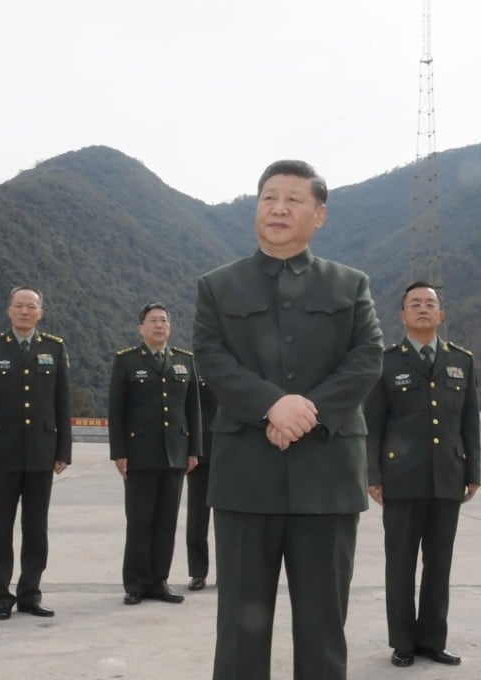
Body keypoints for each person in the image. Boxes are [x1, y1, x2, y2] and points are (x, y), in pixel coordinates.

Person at [193, 160, 384, 680]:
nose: (278, 208)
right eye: (269, 198)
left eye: (293, 200)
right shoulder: (218, 286)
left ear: (318, 215)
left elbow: (367, 358)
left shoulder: (350, 284)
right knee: (240, 629)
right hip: (245, 477)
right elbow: (211, 357)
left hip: (326, 476)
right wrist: (271, 406)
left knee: (324, 628)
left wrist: (306, 413)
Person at [363, 281, 481, 668]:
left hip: (448, 476)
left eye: (430, 303)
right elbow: (373, 425)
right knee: (400, 565)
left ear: (441, 314)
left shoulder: (461, 361)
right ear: (402, 315)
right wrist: (373, 474)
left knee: (439, 564)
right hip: (401, 479)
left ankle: (432, 640)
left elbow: (469, 422)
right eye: (414, 304)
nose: (423, 308)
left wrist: (473, 471)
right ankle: (402, 642)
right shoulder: (387, 362)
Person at [0, 285, 72, 620]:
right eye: (19, 305)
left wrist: (63, 450)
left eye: (31, 306)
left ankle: (30, 593)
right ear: (9, 310)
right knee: (1, 529)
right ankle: (0, 597)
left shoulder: (54, 348)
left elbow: (62, 403)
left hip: (42, 453)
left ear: (41, 312)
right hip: (3, 454)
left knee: (36, 529)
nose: (25, 311)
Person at [108, 302, 201, 606]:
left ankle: (159, 581)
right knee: (139, 522)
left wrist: (194, 450)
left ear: (170, 327)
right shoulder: (127, 361)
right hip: (139, 454)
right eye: (152, 320)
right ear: (141, 328)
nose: (159, 325)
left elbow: (193, 410)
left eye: (163, 320)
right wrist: (119, 452)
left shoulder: (184, 361)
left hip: (175, 453)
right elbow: (116, 411)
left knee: (166, 523)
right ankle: (135, 584)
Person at [185, 376, 215, 591]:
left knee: (230, 522)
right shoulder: (193, 368)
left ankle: (228, 572)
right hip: (200, 454)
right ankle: (198, 572)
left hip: (231, 454)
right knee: (197, 519)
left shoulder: (239, 365)